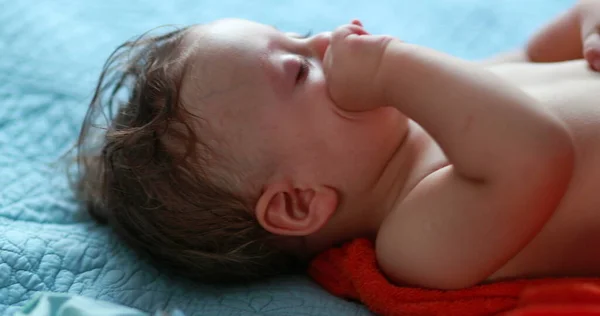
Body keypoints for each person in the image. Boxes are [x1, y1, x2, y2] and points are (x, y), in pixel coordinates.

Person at [76, 0, 600, 289]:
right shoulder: (417, 241)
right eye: (301, 69)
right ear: (299, 202)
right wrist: (393, 67)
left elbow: (538, 55)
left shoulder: (436, 107)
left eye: (298, 33)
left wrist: (588, 22)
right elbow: (535, 155)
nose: (328, 40)